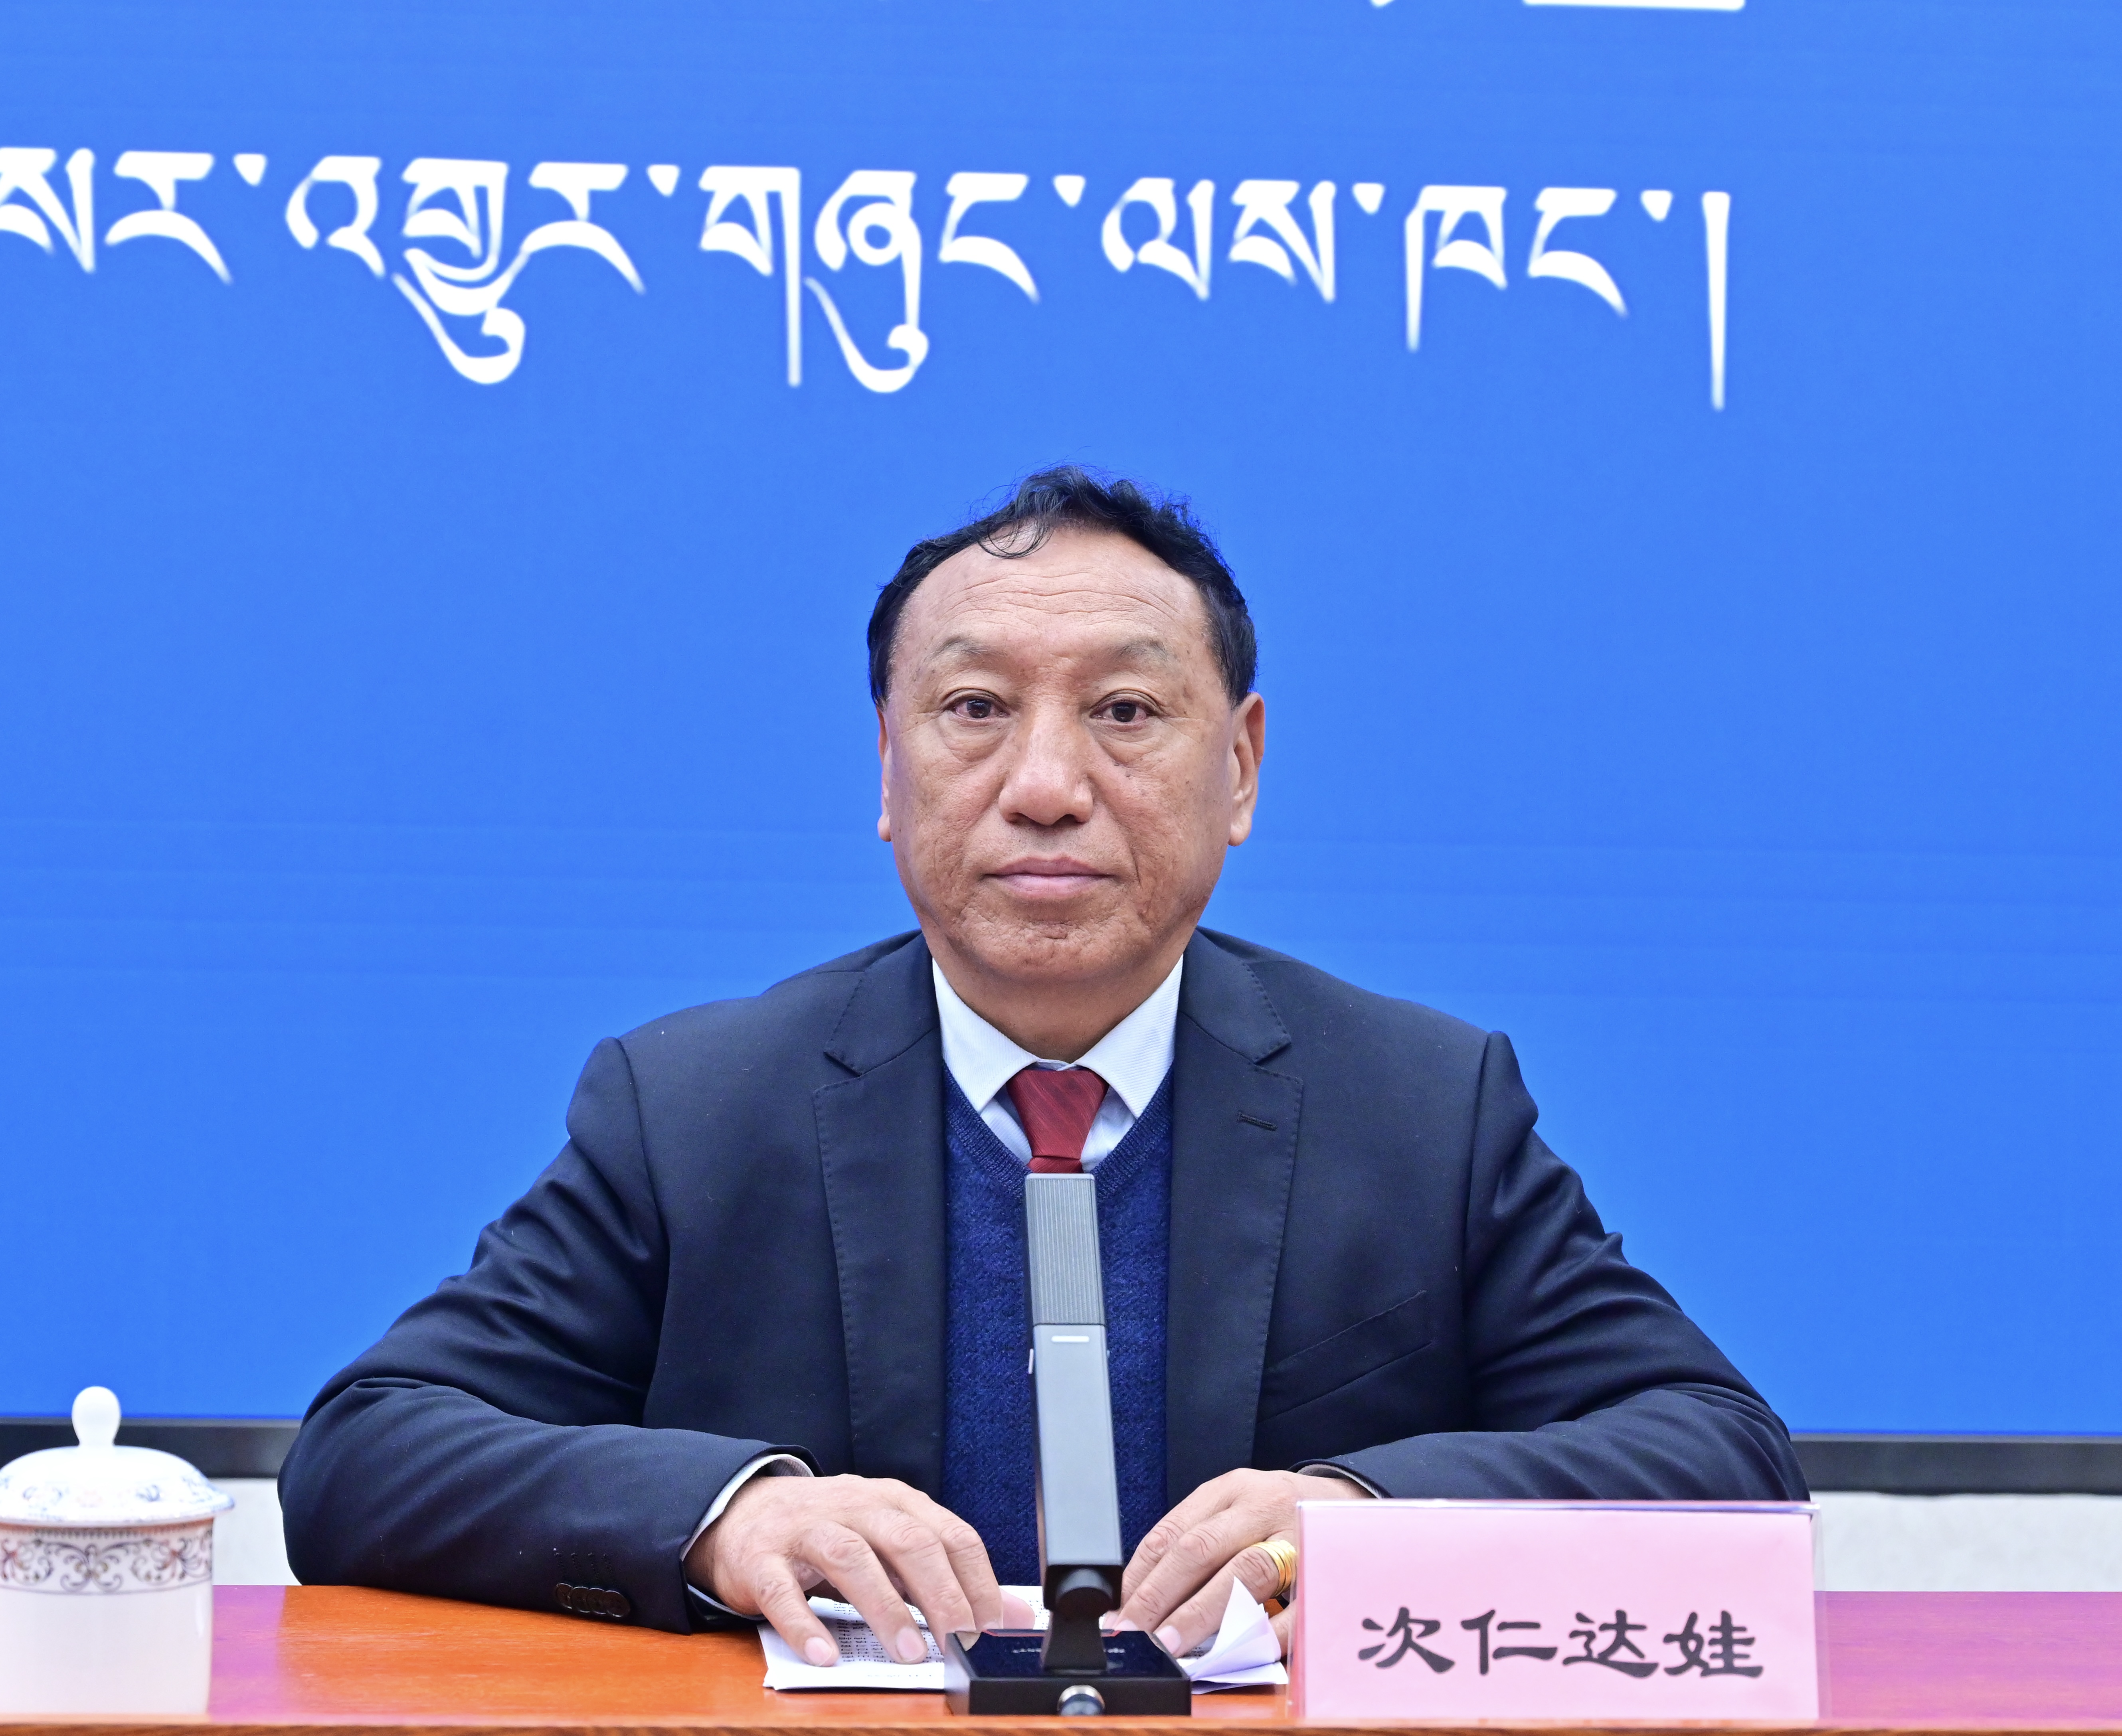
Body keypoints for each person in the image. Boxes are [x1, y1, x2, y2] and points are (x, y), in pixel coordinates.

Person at [279, 467, 1806, 1667]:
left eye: (1126, 712)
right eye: (975, 711)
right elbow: (366, 1456)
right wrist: (728, 1519)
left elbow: (1724, 1461)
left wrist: (1362, 1516)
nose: (1049, 785)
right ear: (889, 770)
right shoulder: (695, 1110)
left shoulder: (1420, 1107)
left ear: (1241, 768)